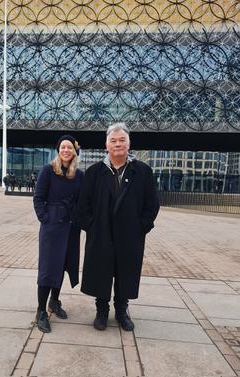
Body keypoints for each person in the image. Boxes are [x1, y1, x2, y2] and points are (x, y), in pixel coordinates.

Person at [77, 123, 160, 332]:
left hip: (130, 236)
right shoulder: (94, 172)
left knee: (125, 274)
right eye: (113, 141)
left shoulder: (142, 171)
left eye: (122, 140)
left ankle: (122, 312)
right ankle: (102, 311)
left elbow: (152, 204)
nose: (118, 144)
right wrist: (93, 227)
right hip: (101, 235)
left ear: (129, 143)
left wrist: (141, 227)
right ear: (106, 145)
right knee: (101, 273)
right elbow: (82, 206)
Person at [33, 135, 83, 333]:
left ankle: (54, 301)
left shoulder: (78, 175)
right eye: (63, 147)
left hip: (71, 227)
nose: (66, 150)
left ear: (74, 151)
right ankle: (40, 310)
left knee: (62, 265)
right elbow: (38, 198)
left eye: (69, 147)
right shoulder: (48, 170)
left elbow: (83, 200)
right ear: (58, 150)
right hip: (52, 227)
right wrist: (45, 218)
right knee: (48, 267)